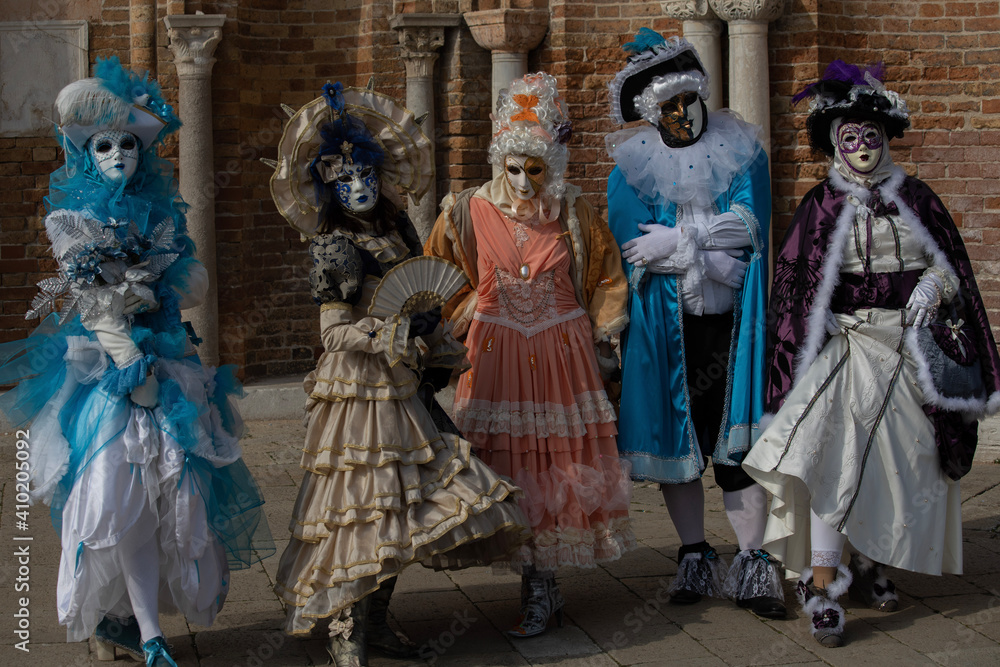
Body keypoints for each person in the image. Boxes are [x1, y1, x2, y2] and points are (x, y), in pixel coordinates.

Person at [0, 58, 274, 666]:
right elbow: (95, 306)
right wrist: (131, 363)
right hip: (108, 379)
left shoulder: (161, 220)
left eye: (129, 142)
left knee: (169, 504)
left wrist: (168, 284)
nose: (119, 152)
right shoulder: (72, 221)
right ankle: (143, 633)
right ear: (87, 155)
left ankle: (135, 626)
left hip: (171, 371)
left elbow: (192, 284)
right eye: (105, 144)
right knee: (115, 506)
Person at [265, 82, 529, 667]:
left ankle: (378, 622)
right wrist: (382, 334)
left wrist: (434, 338)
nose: (358, 188)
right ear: (329, 188)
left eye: (366, 178)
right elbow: (332, 331)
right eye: (345, 181)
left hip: (402, 384)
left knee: (409, 505)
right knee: (361, 507)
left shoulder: (401, 232)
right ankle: (346, 632)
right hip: (357, 390)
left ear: (380, 179)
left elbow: (419, 302)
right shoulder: (333, 246)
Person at [742, 61, 1000, 647]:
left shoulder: (918, 198)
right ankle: (823, 582)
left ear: (886, 138)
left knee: (898, 468)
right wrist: (819, 313)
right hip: (847, 347)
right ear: (835, 143)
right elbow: (795, 279)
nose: (861, 148)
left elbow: (950, 263)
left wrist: (935, 286)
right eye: (849, 138)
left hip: (908, 350)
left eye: (871, 137)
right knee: (827, 458)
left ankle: (868, 560)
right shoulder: (820, 205)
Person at [425, 71, 636, 638]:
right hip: (495, 357)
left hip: (563, 358)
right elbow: (439, 280)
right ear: (498, 160)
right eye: (512, 167)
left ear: (552, 163)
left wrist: (603, 331)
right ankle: (527, 575)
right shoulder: (466, 211)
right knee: (507, 467)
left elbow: (608, 278)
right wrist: (463, 318)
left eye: (534, 168)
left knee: (555, 466)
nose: (521, 180)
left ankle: (544, 586)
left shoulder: (575, 213)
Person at [604, 30, 785, 618]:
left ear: (702, 95)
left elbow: (749, 225)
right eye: (668, 107)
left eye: (687, 100)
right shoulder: (631, 169)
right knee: (680, 447)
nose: (681, 114)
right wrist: (709, 255)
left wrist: (683, 241)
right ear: (652, 114)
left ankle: (754, 562)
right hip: (667, 327)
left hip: (734, 327)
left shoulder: (742, 151)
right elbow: (636, 250)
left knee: (737, 448)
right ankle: (694, 555)